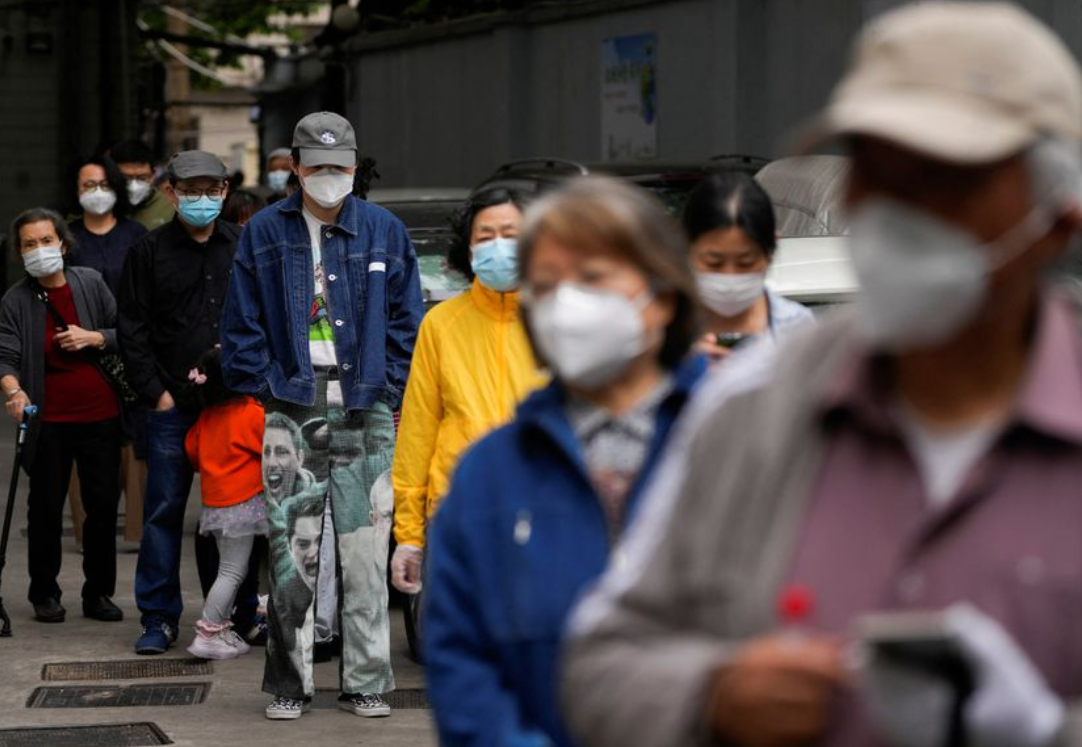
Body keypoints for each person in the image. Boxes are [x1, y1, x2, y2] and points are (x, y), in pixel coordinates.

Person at [561, 5, 1082, 747]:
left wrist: (1049, 730)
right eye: (875, 169)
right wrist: (712, 692)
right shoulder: (755, 408)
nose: (897, 209)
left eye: (944, 179)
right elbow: (601, 658)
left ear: (1058, 221)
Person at [423, 177, 706, 747]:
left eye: (593, 278)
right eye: (546, 285)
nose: (568, 304)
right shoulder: (488, 475)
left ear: (663, 296)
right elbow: (459, 662)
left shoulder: (733, 445)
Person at [220, 111, 424, 720]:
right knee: (291, 554)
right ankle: (289, 683)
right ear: (296, 169)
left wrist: (388, 389)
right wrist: (270, 386)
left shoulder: (384, 231)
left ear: (354, 168)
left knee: (365, 552)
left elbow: (407, 324)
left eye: (339, 167)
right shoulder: (263, 232)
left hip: (367, 407)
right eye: (317, 167)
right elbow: (241, 323)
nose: (328, 177)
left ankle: (367, 681)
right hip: (292, 402)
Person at [390, 187, 546, 594]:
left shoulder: (561, 320)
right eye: (486, 236)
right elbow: (418, 430)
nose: (500, 247)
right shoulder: (441, 324)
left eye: (511, 234)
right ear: (469, 248)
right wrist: (408, 533)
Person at [118, 150, 241, 655]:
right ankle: (159, 616)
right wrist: (158, 394)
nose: (202, 198)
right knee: (163, 511)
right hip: (172, 402)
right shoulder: (147, 253)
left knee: (232, 515)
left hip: (230, 403)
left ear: (225, 191)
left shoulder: (242, 245)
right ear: (170, 192)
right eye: (191, 189)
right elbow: (132, 331)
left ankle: (231, 614)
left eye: (212, 188)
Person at [0, 208, 123, 624]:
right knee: (45, 509)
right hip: (48, 420)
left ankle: (99, 593)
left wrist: (95, 337)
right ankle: (44, 593)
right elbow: (5, 356)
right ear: (20, 253)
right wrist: (14, 392)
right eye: (30, 244)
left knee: (102, 507)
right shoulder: (15, 299)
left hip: (100, 416)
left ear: (63, 244)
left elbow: (125, 331)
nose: (39, 250)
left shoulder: (90, 282)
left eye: (46, 241)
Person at [67, 154, 149, 545]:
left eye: (103, 185)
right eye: (87, 185)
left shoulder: (136, 235)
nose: (96, 193)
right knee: (83, 443)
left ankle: (135, 531)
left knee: (134, 445)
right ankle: (87, 532)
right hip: (76, 353)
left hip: (129, 350)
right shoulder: (65, 238)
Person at [183, 348, 267, 660]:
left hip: (215, 505)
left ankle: (220, 629)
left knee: (228, 569)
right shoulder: (250, 413)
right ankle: (209, 632)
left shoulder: (207, 416)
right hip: (242, 505)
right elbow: (274, 451)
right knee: (232, 572)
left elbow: (191, 450)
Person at [683, 170, 814, 361]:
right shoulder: (660, 328)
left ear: (771, 249)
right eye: (714, 263)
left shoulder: (798, 328)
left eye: (745, 263)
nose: (730, 276)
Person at [111, 140, 176, 231]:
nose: (134, 185)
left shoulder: (169, 209)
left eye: (142, 178)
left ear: (154, 174)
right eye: (126, 178)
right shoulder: (104, 204)